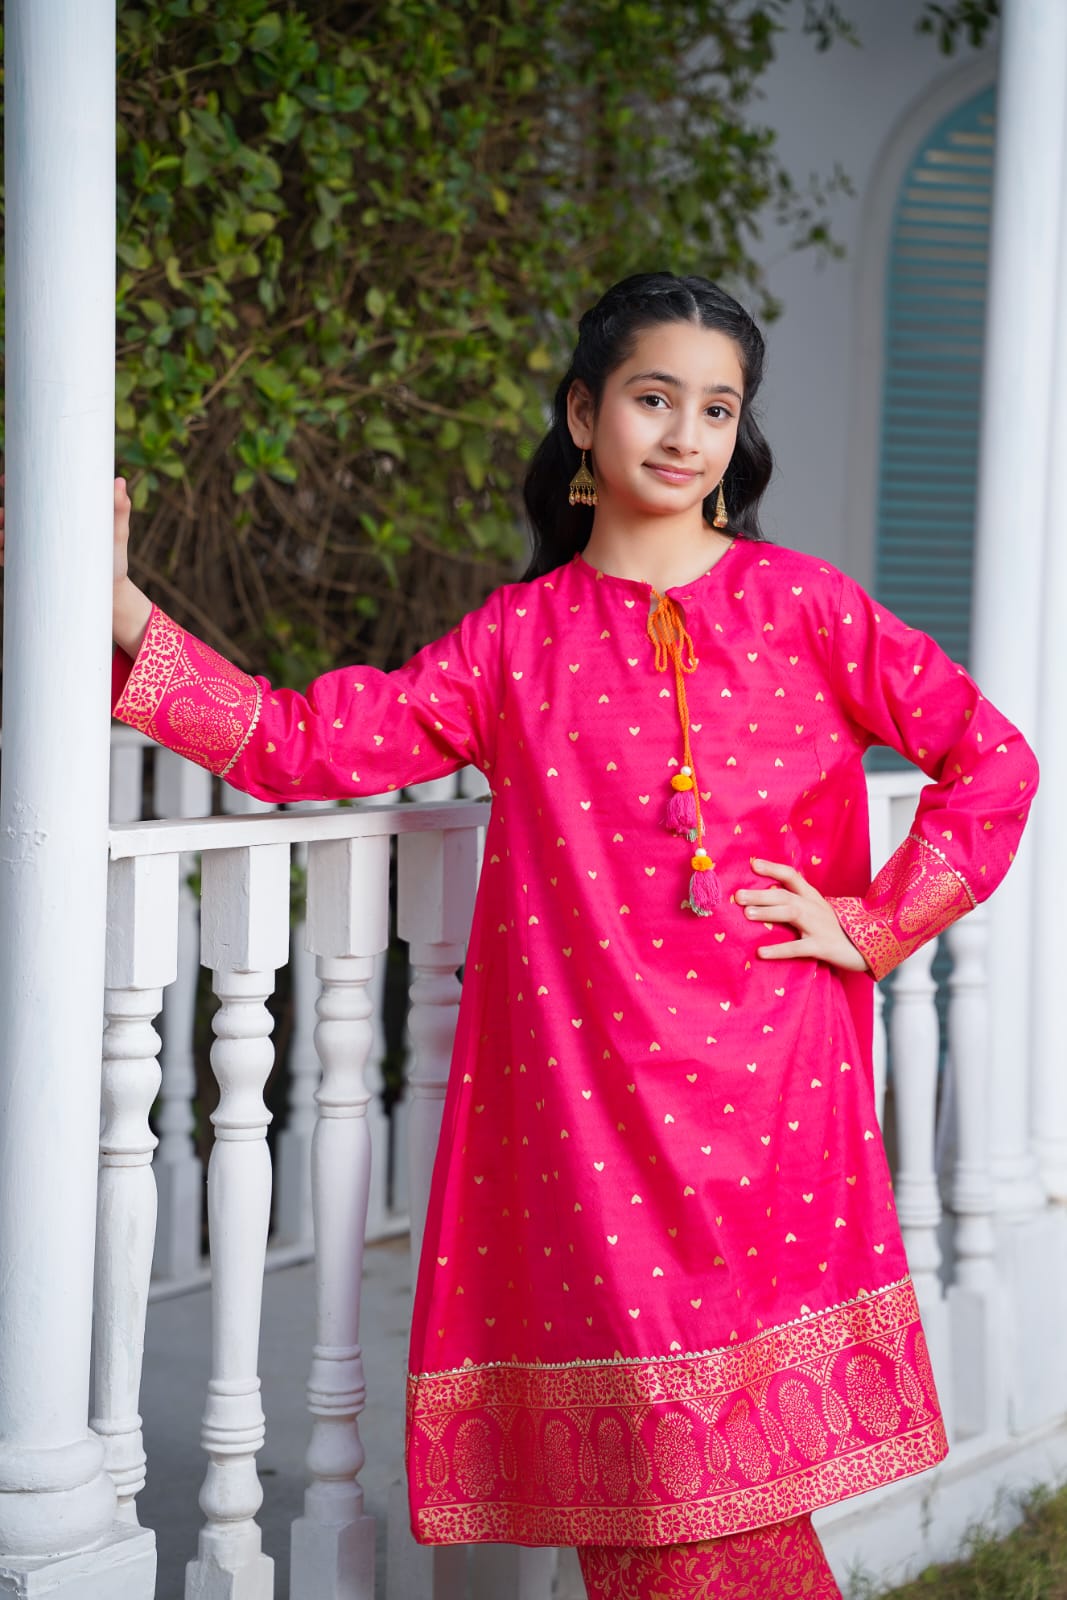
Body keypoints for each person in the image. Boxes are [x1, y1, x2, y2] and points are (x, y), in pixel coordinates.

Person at [23, 271, 1034, 1597]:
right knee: (653, 1491)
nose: (684, 435)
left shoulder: (806, 608)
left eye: (716, 409)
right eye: (654, 398)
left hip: (772, 1098)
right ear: (582, 414)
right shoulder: (517, 642)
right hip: (592, 1115)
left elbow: (991, 759)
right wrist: (124, 617)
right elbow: (303, 744)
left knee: (725, 1508)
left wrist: (876, 921)